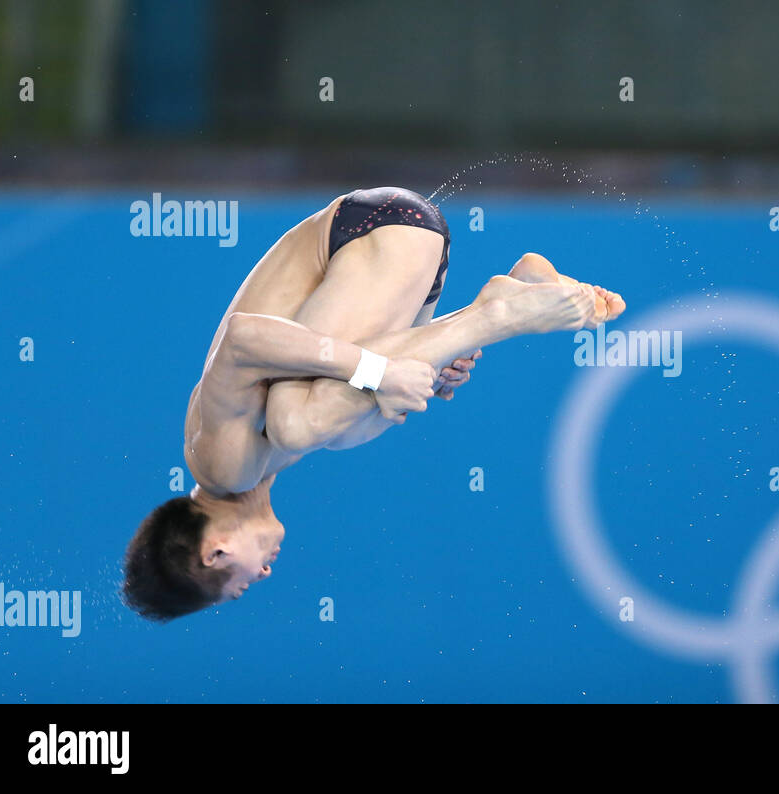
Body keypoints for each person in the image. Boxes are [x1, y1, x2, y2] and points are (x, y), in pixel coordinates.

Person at [122, 186, 625, 621]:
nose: (266, 571)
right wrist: (427, 364)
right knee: (347, 428)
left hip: (375, 230)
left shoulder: (220, 467)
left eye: (245, 583)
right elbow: (359, 377)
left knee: (298, 423)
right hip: (396, 245)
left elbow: (242, 337)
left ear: (215, 552)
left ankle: (494, 317)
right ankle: (489, 307)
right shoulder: (252, 472)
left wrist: (378, 371)